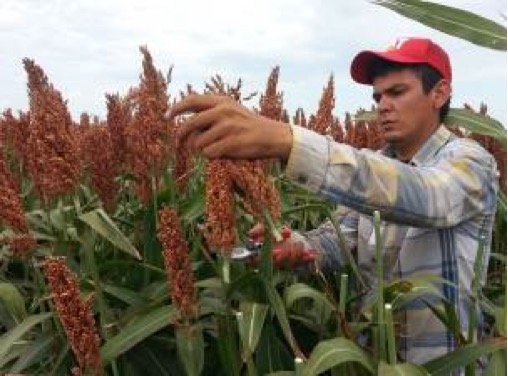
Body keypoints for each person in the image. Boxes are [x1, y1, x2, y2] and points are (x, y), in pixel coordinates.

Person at [169, 38, 499, 366]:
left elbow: (430, 198)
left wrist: (289, 141)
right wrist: (295, 245)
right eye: (377, 96)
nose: (382, 105)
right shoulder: (371, 167)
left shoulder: (472, 162)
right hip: (374, 361)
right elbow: (338, 240)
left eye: (397, 92)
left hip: (448, 366)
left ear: (438, 93)